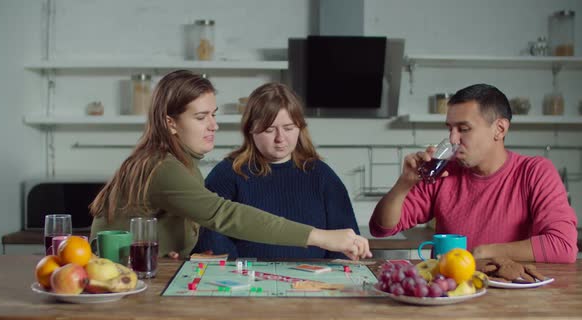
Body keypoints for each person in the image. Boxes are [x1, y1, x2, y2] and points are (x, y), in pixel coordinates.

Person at [89, 70, 371, 261]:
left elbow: (176, 229)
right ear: (170, 123)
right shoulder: (164, 167)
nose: (214, 125)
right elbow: (223, 215)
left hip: (128, 276)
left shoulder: (177, 164)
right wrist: (320, 237)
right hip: (120, 280)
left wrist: (176, 250)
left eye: (213, 114)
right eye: (201, 117)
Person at [369, 83, 578, 263]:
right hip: (449, 295)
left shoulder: (535, 172)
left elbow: (563, 245)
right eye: (450, 128)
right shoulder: (444, 172)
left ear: (500, 129)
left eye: (464, 129)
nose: (453, 138)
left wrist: (485, 252)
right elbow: (382, 228)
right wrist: (403, 185)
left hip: (512, 299)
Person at [193, 82, 360, 259]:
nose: (280, 138)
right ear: (251, 129)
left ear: (300, 128)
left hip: (313, 282)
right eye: (269, 129)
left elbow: (347, 245)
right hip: (245, 281)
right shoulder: (227, 174)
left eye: (288, 128)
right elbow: (210, 243)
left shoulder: (322, 175)